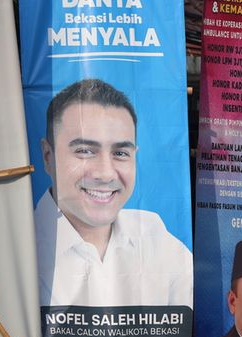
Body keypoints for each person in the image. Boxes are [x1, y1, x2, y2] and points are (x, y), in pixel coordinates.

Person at [35, 78, 192, 309]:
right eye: (85, 151)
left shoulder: (156, 239)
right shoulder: (19, 248)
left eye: (120, 153)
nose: (106, 174)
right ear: (48, 156)